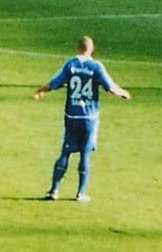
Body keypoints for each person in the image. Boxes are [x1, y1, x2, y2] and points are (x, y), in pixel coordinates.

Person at [33, 36, 132, 202]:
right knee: (85, 155)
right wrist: (123, 93)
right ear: (91, 49)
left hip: (72, 115)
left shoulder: (70, 64)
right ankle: (80, 193)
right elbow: (110, 87)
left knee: (65, 152)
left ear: (78, 48)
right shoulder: (96, 66)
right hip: (89, 118)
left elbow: (55, 82)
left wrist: (41, 90)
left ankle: (53, 190)